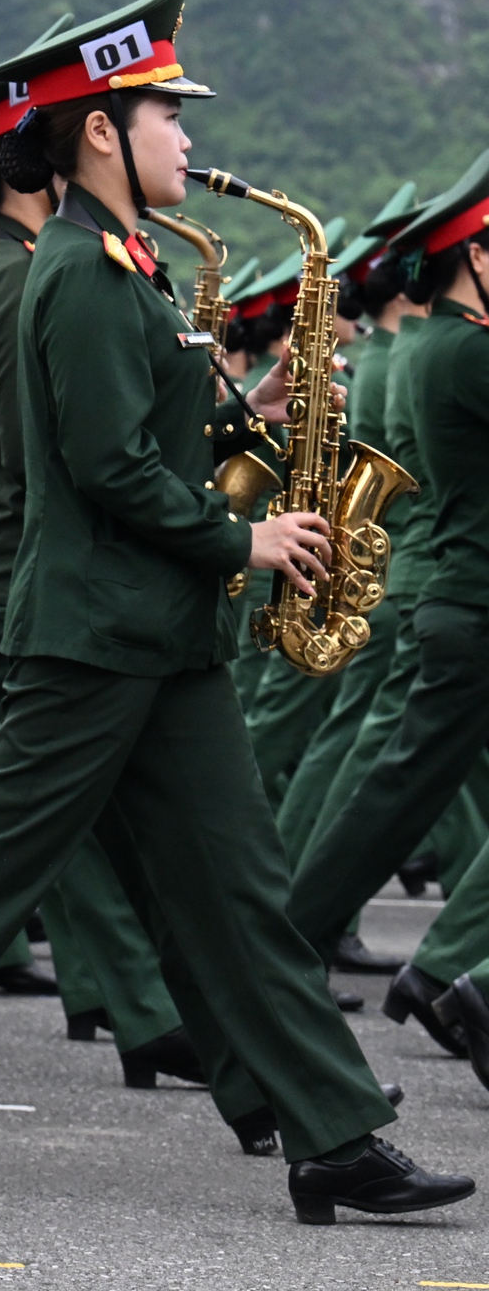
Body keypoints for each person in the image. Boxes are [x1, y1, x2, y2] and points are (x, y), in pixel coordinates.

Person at [0, 0, 471, 1224]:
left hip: (158, 635)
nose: (187, 138)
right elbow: (105, 467)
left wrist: (254, 425)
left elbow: (148, 431)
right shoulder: (82, 275)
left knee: (239, 888)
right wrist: (245, 536)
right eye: (167, 115)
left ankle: (333, 1134)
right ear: (101, 129)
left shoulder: (121, 266)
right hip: (92, 636)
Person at [302, 152, 489, 1050]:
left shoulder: (446, 343)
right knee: (389, 797)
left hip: (460, 597)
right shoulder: (465, 350)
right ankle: (282, 942)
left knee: (393, 792)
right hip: (473, 605)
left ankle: (290, 941)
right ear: (476, 259)